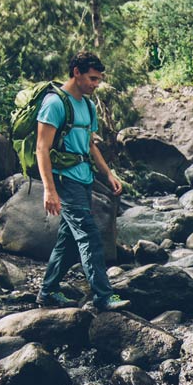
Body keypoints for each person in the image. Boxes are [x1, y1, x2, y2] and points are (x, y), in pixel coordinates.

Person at [36, 51, 128, 311]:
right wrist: (49, 190)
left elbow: (89, 144)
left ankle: (48, 291)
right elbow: (42, 148)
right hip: (64, 180)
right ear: (76, 72)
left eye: (98, 80)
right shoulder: (55, 104)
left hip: (84, 177)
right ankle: (103, 295)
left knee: (68, 240)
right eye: (92, 78)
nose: (95, 84)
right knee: (89, 236)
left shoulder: (87, 105)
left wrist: (107, 174)